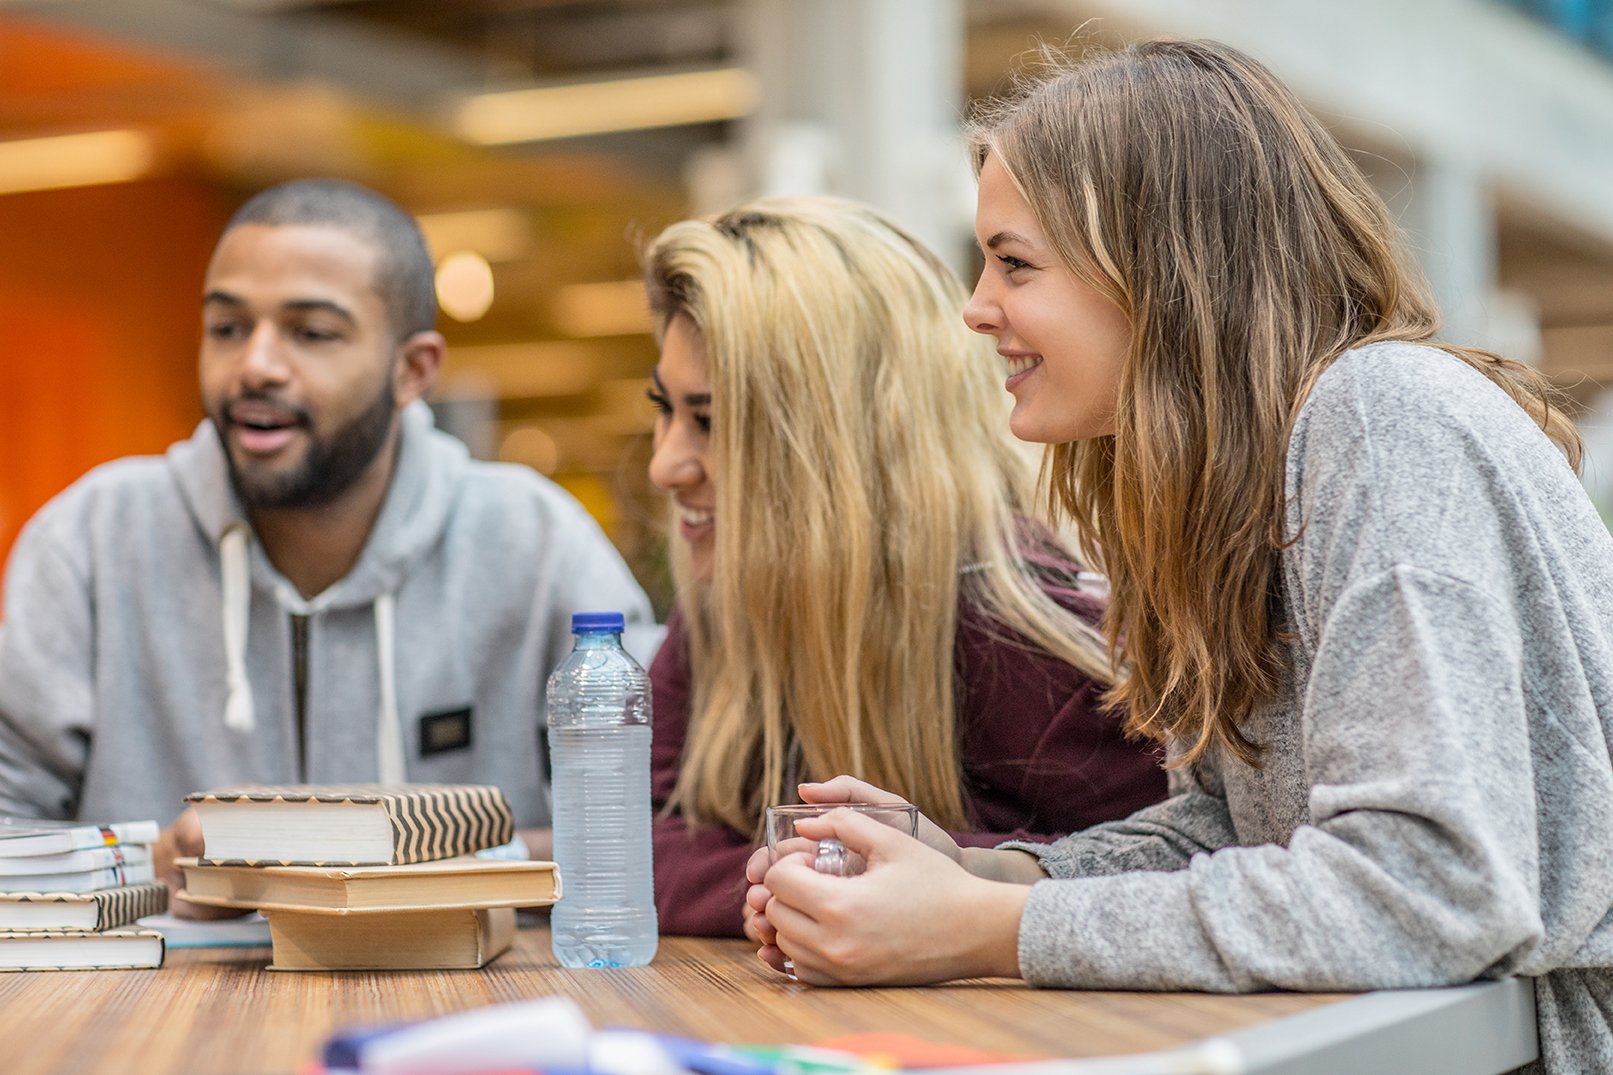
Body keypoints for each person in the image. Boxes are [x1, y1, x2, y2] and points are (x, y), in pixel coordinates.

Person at [745, 40, 1613, 1072]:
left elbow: (1424, 891)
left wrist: (984, 933)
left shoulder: (1380, 420)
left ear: (1156, 271)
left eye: (1013, 262)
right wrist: (992, 877)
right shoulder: (1230, 481)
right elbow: (1232, 833)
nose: (975, 307)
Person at [0, 179, 654, 909]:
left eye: (311, 333)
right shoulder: (88, 542)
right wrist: (145, 865)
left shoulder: (535, 544)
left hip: (462, 1009)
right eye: (227, 327)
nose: (256, 364)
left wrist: (405, 856)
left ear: (413, 370)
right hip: (160, 1015)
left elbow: (655, 830)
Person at [641, 197, 1166, 937]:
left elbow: (1188, 860)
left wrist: (947, 879)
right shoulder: (724, 599)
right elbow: (619, 843)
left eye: (713, 421)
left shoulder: (1026, 637)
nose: (665, 463)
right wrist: (842, 871)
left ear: (841, 440)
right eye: (661, 410)